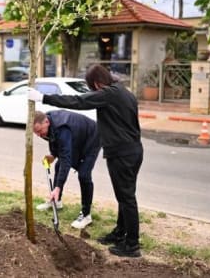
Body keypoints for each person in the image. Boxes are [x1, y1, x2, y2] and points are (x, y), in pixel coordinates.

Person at [28, 64, 143, 258]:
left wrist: (43, 98)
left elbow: (79, 101)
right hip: (129, 151)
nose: (91, 92)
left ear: (97, 84)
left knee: (127, 198)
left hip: (123, 154)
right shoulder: (124, 92)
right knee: (124, 196)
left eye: (91, 88)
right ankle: (120, 233)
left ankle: (132, 245)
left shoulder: (109, 93)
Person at [33, 110, 100, 229]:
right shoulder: (47, 122)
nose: (39, 135)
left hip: (92, 137)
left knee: (84, 174)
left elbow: (66, 159)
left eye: (39, 131)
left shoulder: (62, 128)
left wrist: (58, 187)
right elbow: (53, 139)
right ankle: (56, 201)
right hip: (77, 137)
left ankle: (86, 215)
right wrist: (53, 154)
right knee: (58, 166)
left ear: (46, 122)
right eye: (36, 132)